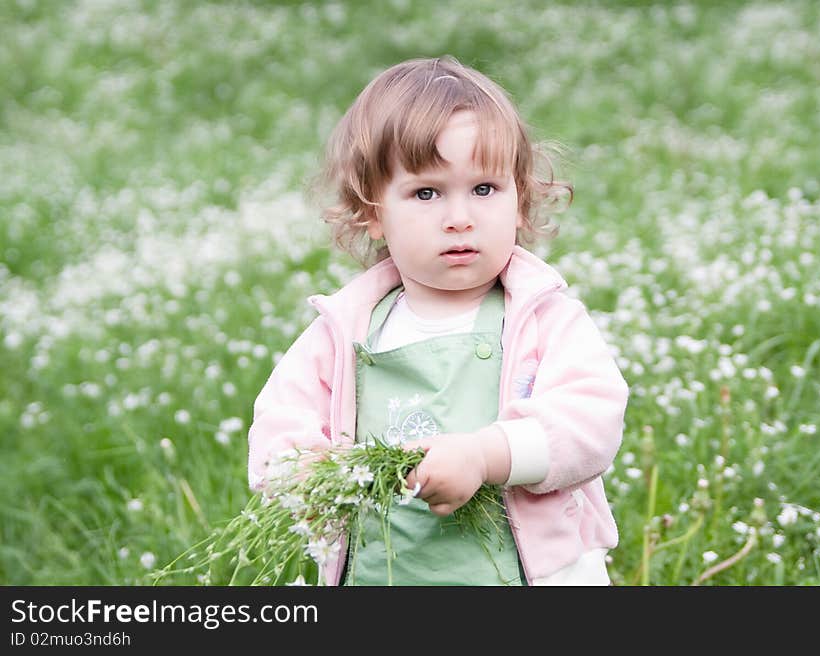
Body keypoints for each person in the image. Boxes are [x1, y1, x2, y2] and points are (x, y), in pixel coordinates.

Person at [247, 55, 629, 586]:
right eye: (426, 193)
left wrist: (485, 455)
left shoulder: (545, 319)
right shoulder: (345, 331)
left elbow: (590, 421)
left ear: (520, 199)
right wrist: (313, 477)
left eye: (484, 189)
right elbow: (279, 428)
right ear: (373, 213)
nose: (459, 217)